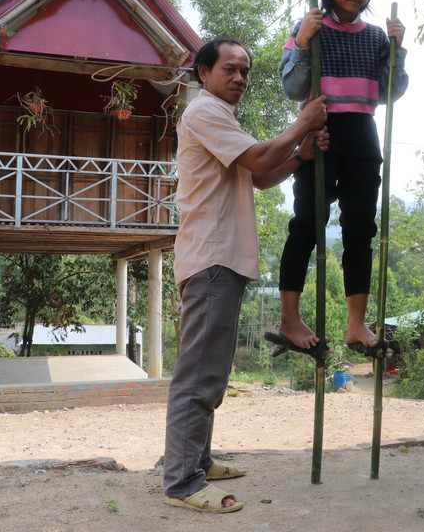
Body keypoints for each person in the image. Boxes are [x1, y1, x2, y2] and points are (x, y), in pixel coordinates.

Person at [163, 37, 328, 513]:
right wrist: (302, 123)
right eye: (230, 69)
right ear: (204, 74)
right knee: (198, 373)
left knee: (210, 369)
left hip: (222, 258)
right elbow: (258, 159)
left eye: (245, 71)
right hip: (211, 257)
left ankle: (198, 459)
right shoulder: (205, 112)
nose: (239, 78)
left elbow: (257, 176)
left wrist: (300, 156)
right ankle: (183, 483)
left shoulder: (222, 116)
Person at [275, 0, 409, 356]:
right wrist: (301, 40)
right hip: (320, 130)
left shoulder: (374, 36)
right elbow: (294, 89)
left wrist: (397, 48)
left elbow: (391, 91)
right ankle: (290, 318)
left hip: (362, 132)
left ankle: (356, 324)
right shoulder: (309, 28)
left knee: (360, 230)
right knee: (309, 223)